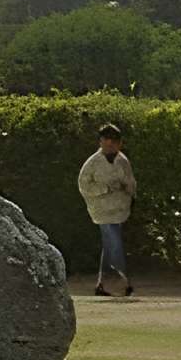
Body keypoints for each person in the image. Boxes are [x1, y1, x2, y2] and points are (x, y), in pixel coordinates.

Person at [75, 122, 137, 297]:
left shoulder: (122, 161)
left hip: (118, 210)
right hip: (101, 210)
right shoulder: (92, 163)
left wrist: (129, 193)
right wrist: (105, 189)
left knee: (109, 245)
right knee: (114, 242)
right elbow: (84, 185)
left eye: (115, 142)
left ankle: (101, 284)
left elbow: (131, 182)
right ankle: (123, 281)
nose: (111, 146)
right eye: (107, 142)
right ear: (101, 142)